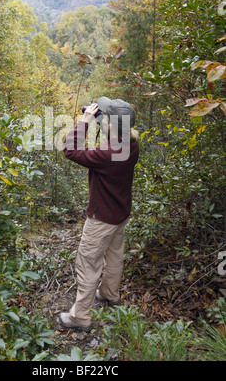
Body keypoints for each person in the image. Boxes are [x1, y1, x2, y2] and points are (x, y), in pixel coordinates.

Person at [59, 96, 139, 332]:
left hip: (102, 218)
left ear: (111, 125)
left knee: (88, 262)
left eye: (104, 116)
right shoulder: (131, 143)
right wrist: (102, 120)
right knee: (114, 255)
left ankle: (80, 317)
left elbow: (70, 150)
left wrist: (84, 122)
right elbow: (114, 135)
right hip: (120, 213)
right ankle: (110, 294)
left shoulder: (107, 154)